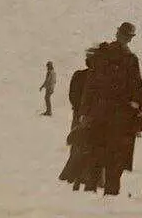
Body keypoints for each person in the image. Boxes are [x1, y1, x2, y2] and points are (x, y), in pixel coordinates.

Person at [79, 22, 142, 196]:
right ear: (129, 38)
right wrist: (138, 106)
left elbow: (90, 85)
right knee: (116, 156)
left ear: (117, 34)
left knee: (96, 151)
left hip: (99, 111)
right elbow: (138, 88)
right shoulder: (130, 59)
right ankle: (110, 193)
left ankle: (91, 189)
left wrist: (85, 111)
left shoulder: (102, 54)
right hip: (120, 114)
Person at [59, 45, 105, 190]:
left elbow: (72, 96)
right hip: (93, 117)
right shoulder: (100, 78)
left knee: (78, 145)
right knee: (93, 147)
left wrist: (79, 111)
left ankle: (74, 176)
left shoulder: (79, 75)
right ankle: (93, 179)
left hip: (79, 115)